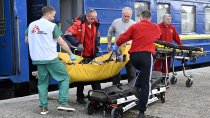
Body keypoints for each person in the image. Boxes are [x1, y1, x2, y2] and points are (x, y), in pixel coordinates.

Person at [25, 6, 76, 115]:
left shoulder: (31, 25)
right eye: (53, 15)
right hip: (51, 58)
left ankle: (43, 108)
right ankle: (63, 102)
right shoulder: (52, 26)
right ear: (47, 14)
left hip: (38, 59)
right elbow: (62, 43)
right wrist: (71, 54)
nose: (53, 18)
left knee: (42, 83)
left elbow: (27, 40)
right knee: (64, 78)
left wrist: (38, 42)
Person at [112, 10, 161, 118]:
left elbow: (123, 37)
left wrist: (116, 46)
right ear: (150, 18)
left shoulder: (134, 26)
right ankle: (142, 112)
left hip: (134, 57)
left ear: (140, 17)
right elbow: (158, 36)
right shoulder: (155, 27)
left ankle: (135, 87)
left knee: (143, 73)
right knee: (146, 83)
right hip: (146, 56)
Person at [64, 9, 101, 104]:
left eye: (94, 18)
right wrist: (77, 44)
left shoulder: (95, 24)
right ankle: (79, 97)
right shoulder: (79, 23)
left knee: (95, 75)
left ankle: (98, 96)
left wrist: (97, 45)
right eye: (91, 18)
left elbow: (97, 36)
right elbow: (67, 34)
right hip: (80, 54)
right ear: (87, 16)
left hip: (92, 54)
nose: (93, 20)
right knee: (81, 77)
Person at [107, 7, 136, 85]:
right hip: (117, 52)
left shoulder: (134, 24)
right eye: (125, 16)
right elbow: (109, 33)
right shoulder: (116, 22)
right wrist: (109, 44)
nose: (126, 18)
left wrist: (131, 41)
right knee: (115, 72)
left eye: (128, 16)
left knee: (131, 72)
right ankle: (116, 88)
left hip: (129, 53)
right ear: (122, 14)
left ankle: (132, 89)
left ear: (131, 15)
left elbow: (137, 37)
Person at [154, 14, 182, 82]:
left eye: (170, 19)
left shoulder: (172, 28)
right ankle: (157, 78)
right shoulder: (158, 27)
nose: (169, 21)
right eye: (167, 19)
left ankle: (165, 77)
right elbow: (154, 38)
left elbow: (176, 38)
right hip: (159, 50)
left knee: (166, 64)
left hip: (168, 50)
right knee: (157, 64)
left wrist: (181, 46)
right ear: (163, 19)